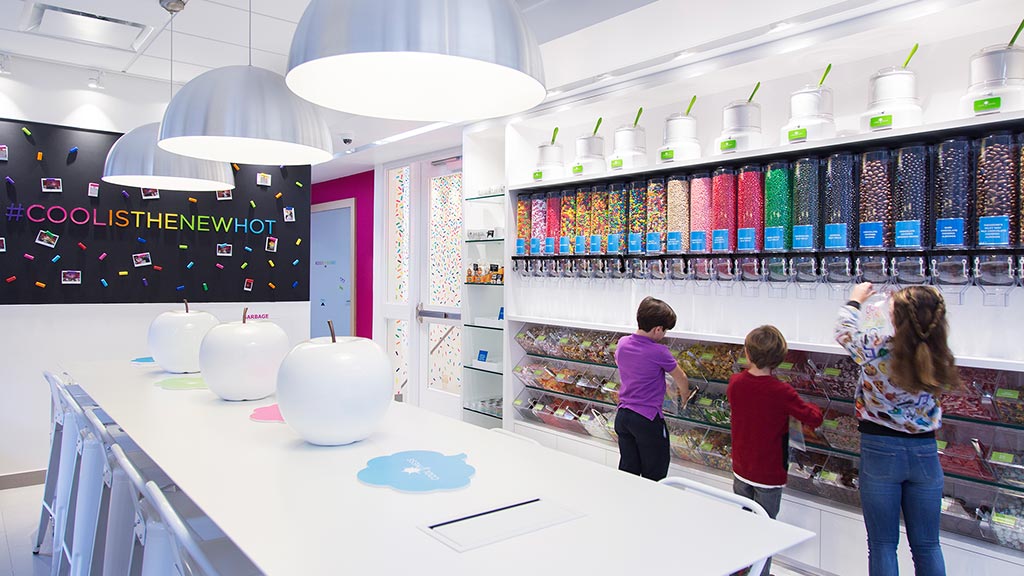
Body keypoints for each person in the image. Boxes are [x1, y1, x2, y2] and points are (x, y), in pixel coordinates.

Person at [835, 283, 960, 576]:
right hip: (926, 454)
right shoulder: (941, 354)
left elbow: (843, 332)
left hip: (880, 450)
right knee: (928, 545)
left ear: (897, 317)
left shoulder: (876, 346)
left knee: (882, 544)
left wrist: (855, 300)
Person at [728, 325, 824, 576]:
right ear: (780, 358)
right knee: (766, 530)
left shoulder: (736, 382)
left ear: (747, 354)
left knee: (744, 523)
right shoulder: (782, 391)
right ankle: (760, 573)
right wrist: (813, 406)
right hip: (769, 474)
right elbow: (813, 418)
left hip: (740, 467)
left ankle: (740, 569)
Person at [613, 296, 689, 480]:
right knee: (655, 473)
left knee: (628, 471)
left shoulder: (622, 343)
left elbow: (628, 367)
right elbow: (681, 377)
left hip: (623, 416)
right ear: (657, 329)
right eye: (665, 331)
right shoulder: (659, 351)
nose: (664, 335)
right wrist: (685, 396)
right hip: (647, 419)